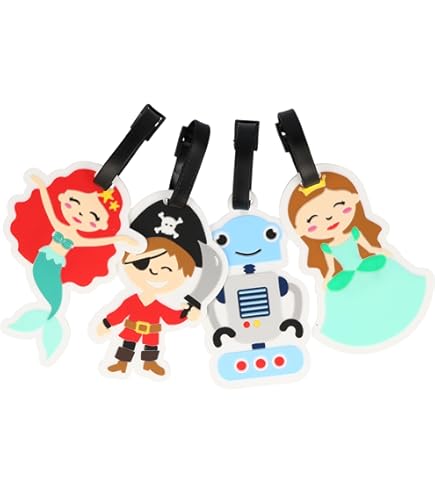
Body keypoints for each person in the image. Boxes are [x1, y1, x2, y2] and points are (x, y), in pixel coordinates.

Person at [286, 171, 428, 348]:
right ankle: (367, 328)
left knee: (390, 289)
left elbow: (370, 248)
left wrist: (381, 251)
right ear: (301, 230)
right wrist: (327, 279)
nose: (329, 218)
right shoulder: (326, 248)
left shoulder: (354, 233)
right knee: (353, 307)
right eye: (312, 220)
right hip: (345, 277)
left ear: (354, 199)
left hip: (368, 265)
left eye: (339, 205)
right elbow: (331, 268)